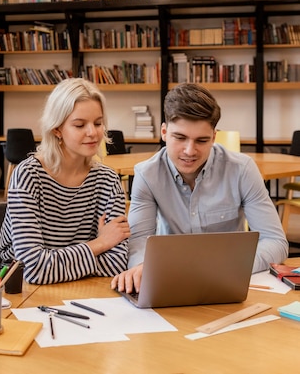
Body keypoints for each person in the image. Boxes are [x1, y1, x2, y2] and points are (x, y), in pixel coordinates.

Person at [111, 83, 289, 294]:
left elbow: (276, 241)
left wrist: (227, 268)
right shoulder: (147, 174)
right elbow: (138, 241)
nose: (189, 151)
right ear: (164, 132)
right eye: (180, 138)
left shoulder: (242, 170)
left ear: (214, 137)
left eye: (201, 140)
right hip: (171, 281)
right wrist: (142, 268)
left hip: (228, 284)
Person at [0, 78, 131, 285]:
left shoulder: (108, 180)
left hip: (87, 292)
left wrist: (53, 262)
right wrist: (100, 243)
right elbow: (33, 270)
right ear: (57, 129)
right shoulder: (28, 175)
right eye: (79, 125)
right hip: (25, 294)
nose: (93, 132)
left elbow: (117, 263)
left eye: (98, 123)